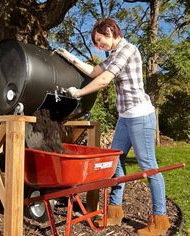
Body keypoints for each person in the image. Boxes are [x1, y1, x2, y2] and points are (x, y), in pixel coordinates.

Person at [55, 18, 171, 236]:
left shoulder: (127, 50)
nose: (99, 47)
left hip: (140, 116)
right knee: (115, 161)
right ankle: (115, 212)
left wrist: (78, 93)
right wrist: (69, 57)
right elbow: (92, 71)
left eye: (100, 41)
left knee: (149, 167)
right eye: (96, 44)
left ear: (109, 31)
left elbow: (104, 80)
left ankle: (160, 219)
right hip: (125, 118)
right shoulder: (114, 55)